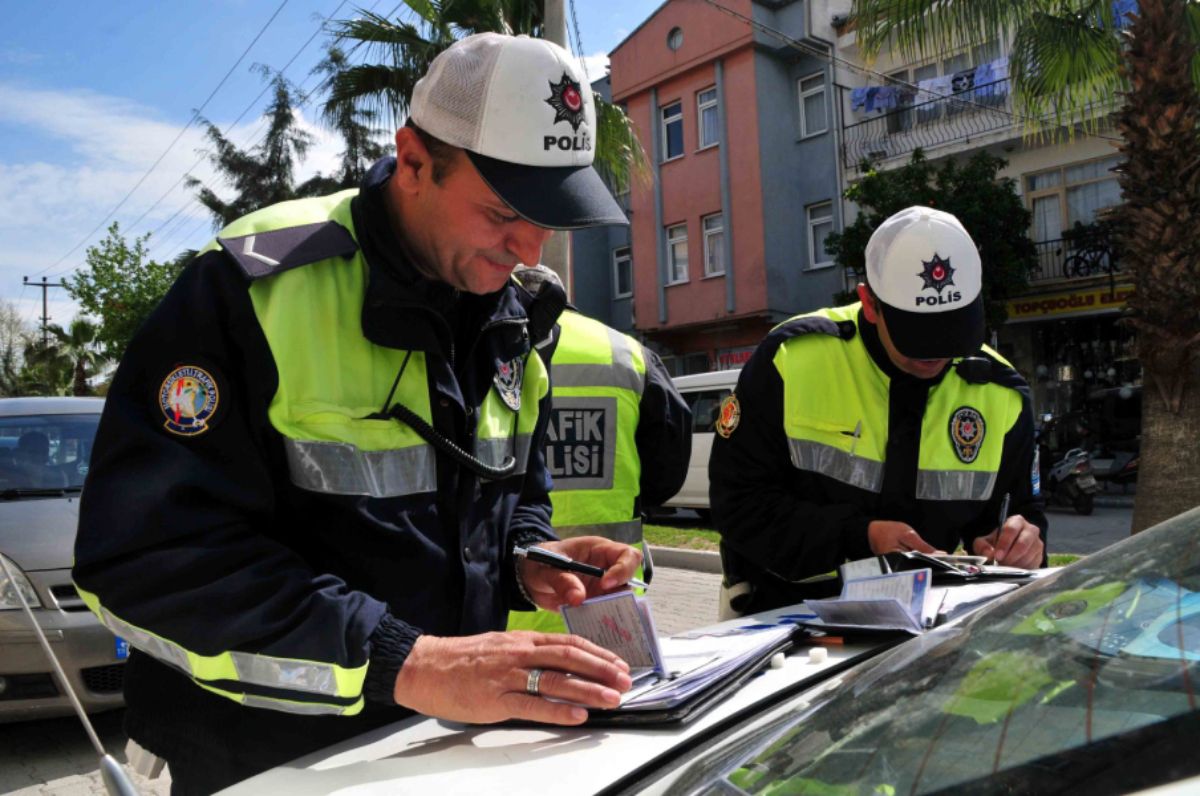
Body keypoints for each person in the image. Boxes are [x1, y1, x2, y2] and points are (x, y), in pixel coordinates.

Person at [72, 33, 643, 793]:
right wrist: (407, 661)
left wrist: (527, 559)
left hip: (444, 751)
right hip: (264, 763)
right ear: (413, 162)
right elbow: (146, 560)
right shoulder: (253, 289)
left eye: (550, 216)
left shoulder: (511, 316)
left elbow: (511, 494)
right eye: (504, 210)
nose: (529, 248)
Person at [710, 206, 1047, 615]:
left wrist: (1021, 542)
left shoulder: (1001, 392)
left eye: (953, 330)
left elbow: (1020, 513)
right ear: (869, 303)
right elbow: (737, 505)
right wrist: (861, 536)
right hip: (785, 613)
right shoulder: (791, 360)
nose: (936, 354)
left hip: (927, 620)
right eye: (918, 334)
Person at [506, 265, 692, 633]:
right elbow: (667, 474)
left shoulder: (480, 349)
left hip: (504, 617)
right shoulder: (627, 353)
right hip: (607, 608)